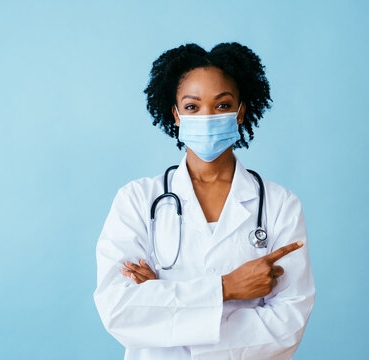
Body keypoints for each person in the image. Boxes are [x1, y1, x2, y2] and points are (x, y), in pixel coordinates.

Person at [93, 42, 315, 360]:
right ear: (176, 114)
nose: (207, 116)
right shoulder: (138, 200)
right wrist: (227, 287)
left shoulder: (280, 205)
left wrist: (165, 307)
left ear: (241, 111)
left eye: (222, 105)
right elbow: (120, 312)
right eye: (193, 107)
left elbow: (287, 326)